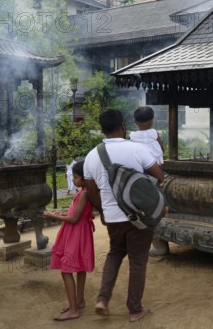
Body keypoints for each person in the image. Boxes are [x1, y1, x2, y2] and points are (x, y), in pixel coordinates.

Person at [83, 109, 164, 323]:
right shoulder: (136, 149)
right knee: (138, 261)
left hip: (112, 217)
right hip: (139, 216)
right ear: (123, 126)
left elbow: (90, 191)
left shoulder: (92, 156)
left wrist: (102, 211)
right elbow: (159, 176)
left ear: (102, 129)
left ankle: (102, 299)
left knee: (115, 253)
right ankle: (135, 309)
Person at [43, 159, 95, 321]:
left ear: (84, 178)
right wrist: (63, 213)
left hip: (76, 234)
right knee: (79, 268)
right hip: (80, 233)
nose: (73, 180)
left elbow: (74, 219)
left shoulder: (84, 194)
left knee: (66, 270)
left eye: (75, 177)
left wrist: (52, 215)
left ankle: (73, 310)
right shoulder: (85, 192)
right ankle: (79, 301)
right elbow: (76, 213)